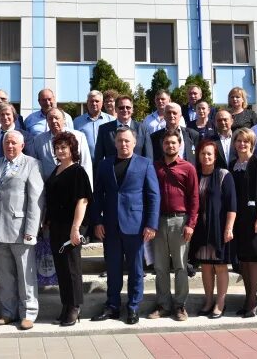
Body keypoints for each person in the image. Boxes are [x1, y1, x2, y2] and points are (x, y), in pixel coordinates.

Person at [91, 128, 160, 325]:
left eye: (127, 141)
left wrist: (151, 224)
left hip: (136, 226)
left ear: (134, 142)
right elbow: (98, 195)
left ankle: (133, 307)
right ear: (115, 143)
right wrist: (97, 221)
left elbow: (153, 196)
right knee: (113, 269)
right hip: (110, 226)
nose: (123, 144)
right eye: (120, 141)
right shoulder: (105, 165)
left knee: (136, 269)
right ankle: (112, 306)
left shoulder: (145, 164)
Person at [0, 130, 44, 330]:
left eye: (13, 143)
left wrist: (32, 229)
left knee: (25, 275)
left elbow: (37, 199)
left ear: (22, 145)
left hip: (21, 229)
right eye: (6, 143)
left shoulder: (32, 164)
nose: (10, 146)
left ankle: (28, 313)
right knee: (4, 275)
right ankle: (8, 312)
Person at [148, 130, 199, 322]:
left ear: (179, 145)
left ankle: (179, 306)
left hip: (181, 221)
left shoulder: (188, 168)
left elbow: (194, 198)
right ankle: (163, 305)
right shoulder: (154, 167)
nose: (170, 146)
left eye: (173, 143)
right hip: (159, 221)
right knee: (160, 267)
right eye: (167, 143)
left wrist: (191, 224)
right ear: (162, 146)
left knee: (180, 266)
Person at [45, 132, 92, 327]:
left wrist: (76, 228)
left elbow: (82, 201)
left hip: (70, 226)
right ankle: (65, 304)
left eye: (64, 147)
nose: (60, 150)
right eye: (57, 147)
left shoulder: (77, 171)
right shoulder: (56, 170)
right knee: (61, 268)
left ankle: (75, 306)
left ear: (72, 149)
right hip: (55, 226)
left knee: (72, 268)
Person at [189, 140, 236, 319]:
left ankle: (220, 303)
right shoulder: (196, 174)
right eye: (203, 153)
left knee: (220, 266)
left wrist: (229, 228)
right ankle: (208, 301)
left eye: (209, 154)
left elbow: (232, 205)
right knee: (206, 267)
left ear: (215, 156)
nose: (206, 157)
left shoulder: (224, 175)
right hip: (201, 229)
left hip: (219, 228)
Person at [229, 127, 257, 317]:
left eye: (246, 141)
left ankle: (252, 301)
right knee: (244, 259)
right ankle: (248, 299)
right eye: (239, 141)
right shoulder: (232, 165)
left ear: (252, 143)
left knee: (253, 259)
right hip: (239, 218)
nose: (242, 144)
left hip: (255, 218)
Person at [26, 107, 93, 186]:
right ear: (47, 121)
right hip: (49, 187)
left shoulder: (79, 136)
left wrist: (87, 189)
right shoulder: (38, 140)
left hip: (74, 185)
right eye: (50, 119)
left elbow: (86, 163)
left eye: (57, 118)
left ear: (64, 120)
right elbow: (35, 165)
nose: (54, 121)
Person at [94, 95, 142, 166]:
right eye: (121, 107)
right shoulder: (104, 129)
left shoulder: (142, 128)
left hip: (137, 174)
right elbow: (98, 158)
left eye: (128, 107)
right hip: (111, 173)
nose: (125, 110)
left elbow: (148, 157)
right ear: (116, 109)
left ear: (132, 109)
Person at [0, 102, 30, 169]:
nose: (5, 117)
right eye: (1, 114)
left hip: (16, 176)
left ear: (14, 116)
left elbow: (29, 159)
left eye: (8, 114)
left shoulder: (25, 136)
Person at [73, 90, 115, 160]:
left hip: (105, 163)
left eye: (97, 101)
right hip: (84, 163)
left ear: (102, 103)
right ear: (87, 102)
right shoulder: (77, 122)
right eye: (91, 101)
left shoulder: (111, 120)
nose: (94, 103)